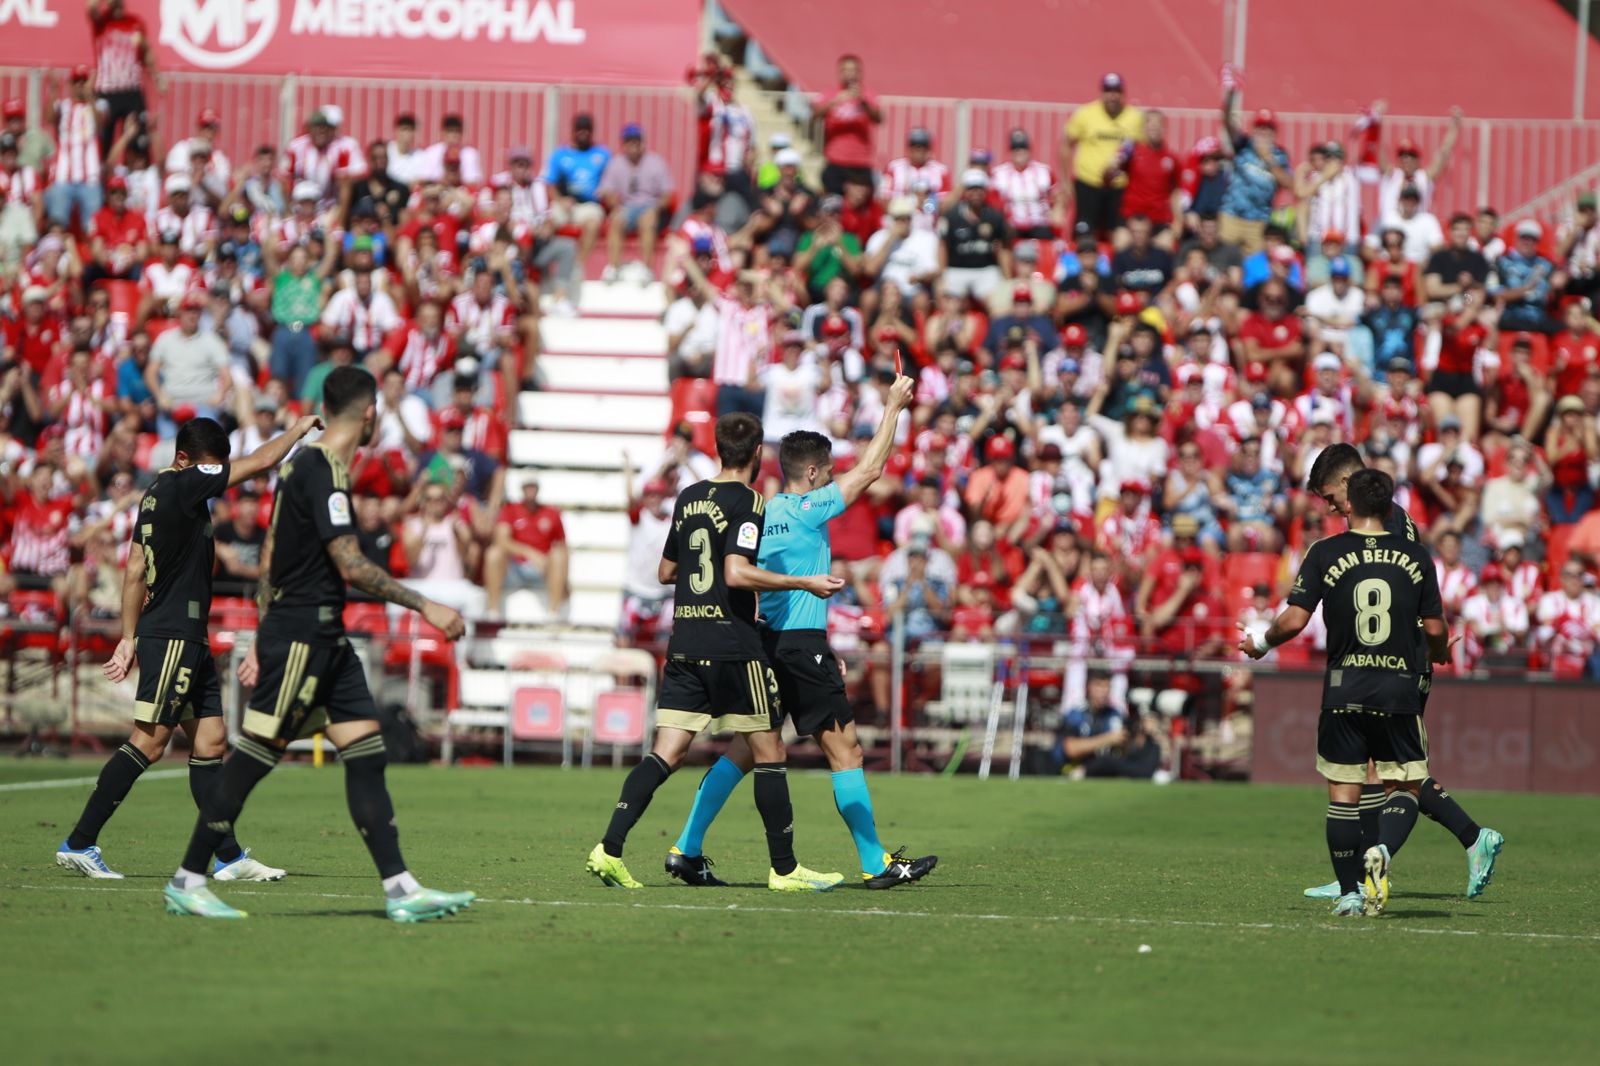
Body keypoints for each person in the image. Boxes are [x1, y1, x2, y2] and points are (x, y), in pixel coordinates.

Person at [162, 368, 473, 922]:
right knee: (256, 756)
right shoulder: (321, 469)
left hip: (326, 637)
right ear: (371, 412)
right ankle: (188, 879)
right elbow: (350, 564)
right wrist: (427, 606)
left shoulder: (308, 468)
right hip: (304, 633)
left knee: (368, 756)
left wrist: (259, 628)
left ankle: (401, 890)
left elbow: (272, 552)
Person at [664, 376, 937, 890]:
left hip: (765, 644)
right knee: (847, 751)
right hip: (800, 646)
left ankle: (687, 847)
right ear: (812, 473)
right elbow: (873, 469)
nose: (833, 479)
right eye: (828, 471)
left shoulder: (757, 513)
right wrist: (893, 407)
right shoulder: (810, 509)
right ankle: (876, 863)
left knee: (745, 751)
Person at [584, 412, 847, 893]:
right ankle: (786, 870)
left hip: (685, 641)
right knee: (769, 751)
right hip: (732, 646)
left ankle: (610, 848)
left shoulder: (688, 498)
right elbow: (735, 573)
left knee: (666, 752)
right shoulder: (749, 500)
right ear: (754, 453)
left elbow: (666, 572)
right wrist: (801, 581)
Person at [55, 414, 320, 880]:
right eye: (211, 468)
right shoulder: (182, 486)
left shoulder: (159, 495)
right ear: (184, 460)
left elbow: (136, 568)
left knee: (211, 741)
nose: (215, 477)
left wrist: (127, 638)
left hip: (184, 635)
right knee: (150, 741)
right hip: (174, 633)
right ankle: (80, 841)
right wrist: (297, 429)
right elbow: (260, 462)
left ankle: (230, 858)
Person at [1240, 468, 1453, 917]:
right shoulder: (1416, 555)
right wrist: (1438, 652)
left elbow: (1295, 621)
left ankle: (1350, 892)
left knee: (1343, 796)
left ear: (1350, 504)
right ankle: (1384, 853)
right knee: (1405, 786)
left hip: (1343, 687)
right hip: (1398, 688)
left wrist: (1260, 642)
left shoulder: (1324, 551)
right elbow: (1434, 628)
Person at [1299, 443, 1504, 902]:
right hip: (1399, 658)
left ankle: (1467, 839)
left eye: (1331, 496)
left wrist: (1425, 648)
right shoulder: (1390, 516)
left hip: (1398, 661)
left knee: (1396, 775)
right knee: (1384, 771)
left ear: (1350, 483)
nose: (1329, 507)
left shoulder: (1383, 525)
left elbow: (1411, 591)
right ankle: (1363, 868)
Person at [1061, 73, 1144, 239]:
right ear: (1101, 93)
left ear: (1123, 94)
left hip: (1120, 187)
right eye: (1108, 91)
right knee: (1084, 232)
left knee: (1118, 233)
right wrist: (1065, 182)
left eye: (1116, 92)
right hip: (1089, 184)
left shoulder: (1135, 118)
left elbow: (1142, 152)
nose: (1112, 96)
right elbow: (1065, 146)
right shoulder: (1085, 114)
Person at [596, 123, 674, 283]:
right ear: (623, 144)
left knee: (647, 221)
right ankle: (614, 267)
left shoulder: (656, 162)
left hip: (650, 206)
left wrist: (656, 209)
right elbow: (606, 190)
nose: (633, 145)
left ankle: (647, 269)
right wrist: (614, 204)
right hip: (626, 207)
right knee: (616, 220)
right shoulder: (615, 163)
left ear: (642, 142)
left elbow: (667, 194)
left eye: (636, 141)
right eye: (629, 141)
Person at [545, 113, 611, 271]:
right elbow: (550, 186)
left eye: (587, 129)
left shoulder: (602, 154)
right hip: (565, 203)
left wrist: (606, 192)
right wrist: (561, 201)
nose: (584, 132)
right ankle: (542, 266)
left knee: (593, 225)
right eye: (580, 129)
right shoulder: (560, 155)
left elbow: (612, 180)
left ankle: (576, 268)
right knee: (548, 225)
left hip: (589, 205)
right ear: (573, 131)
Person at [816, 54, 880, 195]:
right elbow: (816, 115)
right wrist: (834, 102)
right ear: (840, 72)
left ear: (860, 73)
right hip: (836, 159)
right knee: (835, 202)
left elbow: (878, 118)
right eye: (846, 70)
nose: (850, 74)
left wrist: (863, 102)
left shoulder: (867, 94)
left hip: (861, 161)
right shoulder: (831, 93)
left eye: (853, 70)